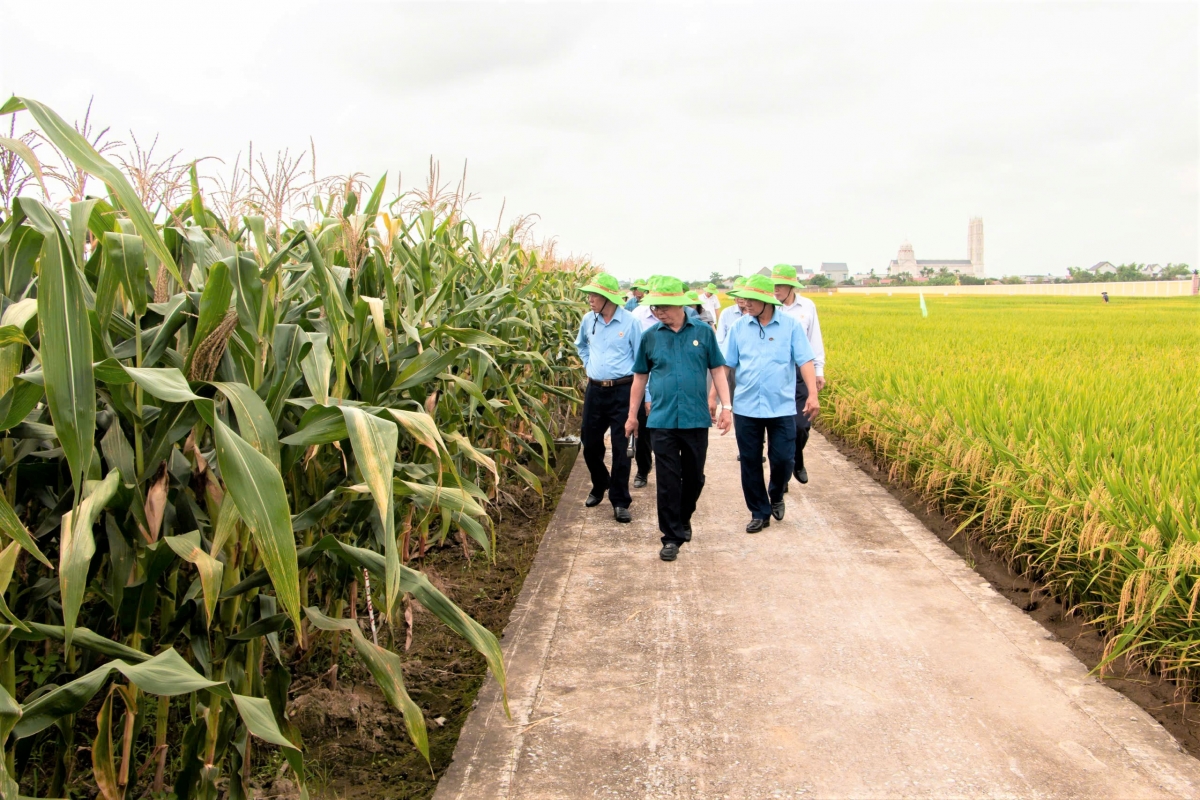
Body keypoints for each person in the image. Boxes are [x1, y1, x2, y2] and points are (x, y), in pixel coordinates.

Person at [625, 276, 732, 561]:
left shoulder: (703, 332)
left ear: (680, 305)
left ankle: (684, 517)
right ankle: (671, 537)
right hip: (661, 420)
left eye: (664, 306)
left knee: (694, 478)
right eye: (655, 306)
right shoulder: (650, 336)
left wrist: (726, 407)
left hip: (695, 418)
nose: (658, 311)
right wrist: (632, 415)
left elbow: (717, 370)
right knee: (668, 480)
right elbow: (640, 377)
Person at [722, 275, 819, 533]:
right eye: (745, 299)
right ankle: (759, 512)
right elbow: (726, 365)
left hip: (782, 406)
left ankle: (776, 494)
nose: (746, 304)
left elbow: (805, 360)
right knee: (750, 461)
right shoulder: (739, 327)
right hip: (746, 407)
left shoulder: (790, 326)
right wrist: (716, 398)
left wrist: (812, 394)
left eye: (752, 300)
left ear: (767, 301)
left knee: (784, 459)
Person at [574, 273, 643, 523]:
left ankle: (620, 500)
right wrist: (588, 364)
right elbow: (581, 345)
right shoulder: (588, 320)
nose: (590, 299)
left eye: (594, 295)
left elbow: (642, 360)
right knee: (590, 443)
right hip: (595, 391)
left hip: (623, 390)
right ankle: (600, 481)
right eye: (590, 295)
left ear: (608, 298)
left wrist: (645, 396)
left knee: (622, 448)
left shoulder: (631, 323)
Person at [770, 264, 826, 485]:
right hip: (776, 374)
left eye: (781, 285)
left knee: (801, 425)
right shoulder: (769, 307)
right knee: (779, 428)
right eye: (774, 285)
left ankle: (796, 458)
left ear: (791, 286)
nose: (776, 289)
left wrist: (818, 370)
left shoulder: (807, 306)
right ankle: (781, 478)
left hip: (801, 371)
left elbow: (814, 339)